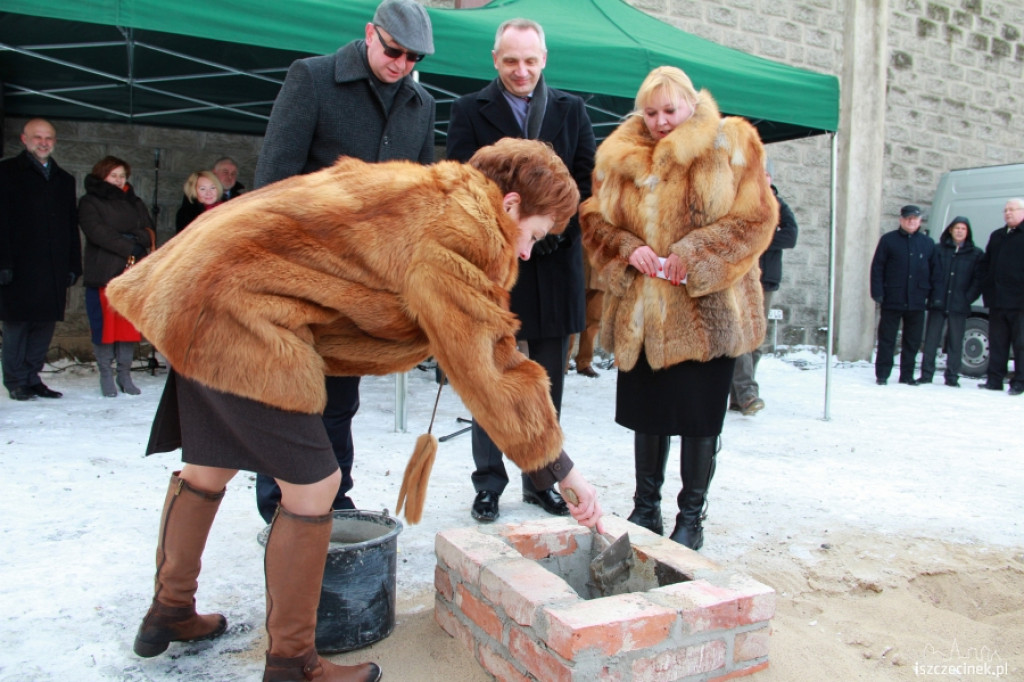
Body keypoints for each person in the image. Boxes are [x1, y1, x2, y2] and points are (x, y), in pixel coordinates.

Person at [107, 138, 604, 682]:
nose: (528, 252)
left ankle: (170, 610)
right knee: (316, 485)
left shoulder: (435, 190)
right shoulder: (463, 232)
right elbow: (490, 360)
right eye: (533, 234)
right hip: (239, 310)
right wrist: (561, 468)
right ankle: (294, 663)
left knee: (210, 466)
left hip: (200, 285)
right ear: (509, 205)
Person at [251, 0, 437, 525]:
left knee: (339, 397)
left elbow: (419, 198)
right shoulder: (311, 78)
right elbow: (273, 180)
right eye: (394, 51)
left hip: (365, 284)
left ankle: (335, 493)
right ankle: (280, 503)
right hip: (301, 273)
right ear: (369, 34)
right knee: (291, 393)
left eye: (413, 57)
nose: (401, 64)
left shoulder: (421, 104)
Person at [579, 66, 777, 550]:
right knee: (649, 414)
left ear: (691, 102)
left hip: (707, 314)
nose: (661, 121)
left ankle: (692, 516)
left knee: (697, 417)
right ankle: (645, 507)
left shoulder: (731, 143)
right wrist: (628, 249)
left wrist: (692, 256)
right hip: (644, 315)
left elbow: (755, 220)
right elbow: (592, 221)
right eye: (651, 112)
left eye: (670, 110)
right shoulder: (619, 156)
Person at [447, 17, 596, 523]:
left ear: (544, 59)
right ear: (495, 60)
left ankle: (543, 478)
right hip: (493, 268)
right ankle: (488, 482)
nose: (521, 70)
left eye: (530, 61)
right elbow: (461, 183)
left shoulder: (572, 110)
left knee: (547, 382)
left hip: (553, 268)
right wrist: (502, 240)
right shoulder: (470, 110)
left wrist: (545, 236)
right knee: (489, 376)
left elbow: (584, 187)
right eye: (511, 61)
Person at [0, 118, 82, 401]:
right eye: (37, 137)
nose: (43, 142)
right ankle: (15, 381)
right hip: (18, 266)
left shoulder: (64, 179)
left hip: (53, 267)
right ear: (24, 139)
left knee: (44, 324)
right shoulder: (7, 172)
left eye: (48, 138)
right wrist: (3, 263)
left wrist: (74, 265)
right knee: (17, 325)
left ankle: (33, 377)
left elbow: (72, 226)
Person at [78, 155, 155, 397]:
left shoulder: (135, 201)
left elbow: (148, 229)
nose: (119, 179)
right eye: (114, 175)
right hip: (104, 272)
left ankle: (124, 374)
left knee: (127, 327)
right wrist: (127, 244)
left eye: (122, 175)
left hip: (132, 274)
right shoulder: (89, 202)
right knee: (104, 327)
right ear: (102, 175)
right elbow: (97, 232)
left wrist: (136, 240)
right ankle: (105, 374)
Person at [729, 161, 798, 415]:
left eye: (765, 175)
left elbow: (790, 237)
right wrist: (767, 236)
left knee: (756, 339)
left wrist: (760, 238)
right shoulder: (741, 202)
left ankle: (738, 397)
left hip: (767, 281)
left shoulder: (780, 206)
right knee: (742, 336)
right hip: (742, 277)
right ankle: (748, 392)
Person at [870, 204, 935, 386]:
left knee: (912, 341)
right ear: (901, 220)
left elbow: (934, 272)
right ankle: (882, 374)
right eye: (908, 218)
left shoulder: (927, 243)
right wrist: (878, 292)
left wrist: (931, 295)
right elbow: (877, 268)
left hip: (917, 300)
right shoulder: (888, 240)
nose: (911, 221)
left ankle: (907, 375)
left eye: (915, 218)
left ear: (920, 221)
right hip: (893, 297)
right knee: (887, 339)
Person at [918, 216, 983, 387]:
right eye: (956, 228)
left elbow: (978, 280)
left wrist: (967, 298)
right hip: (938, 302)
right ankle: (926, 374)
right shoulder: (938, 250)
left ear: (967, 232)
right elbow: (928, 273)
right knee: (931, 340)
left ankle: (952, 376)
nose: (959, 231)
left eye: (963, 228)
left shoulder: (976, 254)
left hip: (959, 304)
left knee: (955, 341)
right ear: (950, 230)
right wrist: (931, 294)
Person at [976, 198, 1024, 395]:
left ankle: (1020, 382)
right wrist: (986, 285)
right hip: (997, 301)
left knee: (1021, 345)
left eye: (1012, 209)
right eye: (1005, 210)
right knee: (997, 342)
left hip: (1020, 303)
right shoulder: (997, 236)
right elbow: (984, 264)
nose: (1008, 213)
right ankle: (994, 379)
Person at [567, 255, 604, 378]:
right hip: (578, 266)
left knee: (594, 320)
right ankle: (563, 361)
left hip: (601, 271)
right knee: (570, 317)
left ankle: (584, 362)